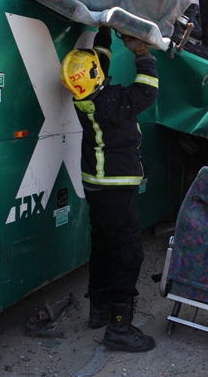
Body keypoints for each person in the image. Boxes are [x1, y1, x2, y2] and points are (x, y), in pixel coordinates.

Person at [60, 27, 159, 352]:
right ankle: (120, 328)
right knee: (127, 254)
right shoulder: (115, 102)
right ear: (96, 77)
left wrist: (104, 28)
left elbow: (98, 60)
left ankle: (98, 310)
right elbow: (147, 91)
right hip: (116, 188)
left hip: (96, 186)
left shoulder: (84, 97)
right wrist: (142, 52)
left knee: (102, 247)